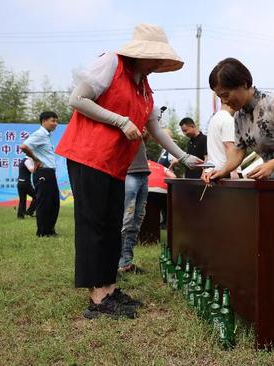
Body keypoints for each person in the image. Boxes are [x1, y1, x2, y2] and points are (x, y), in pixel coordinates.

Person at [55, 23, 201, 320]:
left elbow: (156, 129)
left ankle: (109, 289)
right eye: (155, 58)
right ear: (141, 53)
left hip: (114, 164)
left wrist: (185, 156)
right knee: (94, 224)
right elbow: (77, 99)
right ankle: (97, 299)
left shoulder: (143, 86)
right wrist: (120, 121)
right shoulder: (111, 63)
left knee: (111, 225)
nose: (158, 65)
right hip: (88, 156)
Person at [203, 58, 274, 182]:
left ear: (244, 84)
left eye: (226, 95)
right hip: (273, 182)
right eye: (220, 97)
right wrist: (222, 171)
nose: (224, 102)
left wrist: (273, 164)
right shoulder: (239, 116)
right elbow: (238, 152)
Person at [20, 111, 60, 237]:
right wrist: (36, 160)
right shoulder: (39, 134)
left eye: (56, 121)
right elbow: (24, 146)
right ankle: (42, 232)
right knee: (44, 202)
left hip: (49, 173)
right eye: (53, 120)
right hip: (42, 172)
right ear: (44, 121)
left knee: (54, 202)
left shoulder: (46, 136)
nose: (56, 124)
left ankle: (50, 230)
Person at [118, 133, 151, 274]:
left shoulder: (141, 119)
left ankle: (126, 263)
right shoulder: (122, 117)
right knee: (125, 220)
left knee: (136, 221)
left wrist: (145, 133)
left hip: (143, 172)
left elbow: (144, 139)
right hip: (128, 172)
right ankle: (114, 264)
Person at [206, 103, 240, 178]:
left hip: (212, 171)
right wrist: (233, 171)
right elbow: (230, 146)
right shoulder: (228, 120)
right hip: (226, 172)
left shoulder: (214, 119)